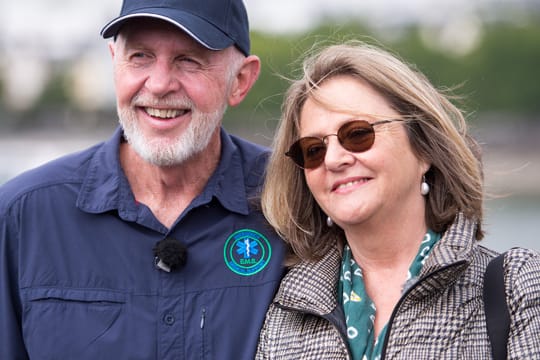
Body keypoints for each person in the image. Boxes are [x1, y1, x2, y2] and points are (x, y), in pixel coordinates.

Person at [0, 0, 286, 359]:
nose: (160, 84)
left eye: (188, 60)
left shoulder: (293, 201)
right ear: (114, 63)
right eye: (140, 57)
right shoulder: (21, 216)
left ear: (240, 80)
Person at [256, 41, 540, 359]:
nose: (334, 159)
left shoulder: (515, 285)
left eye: (358, 134)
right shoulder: (285, 306)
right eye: (313, 149)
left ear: (424, 149)